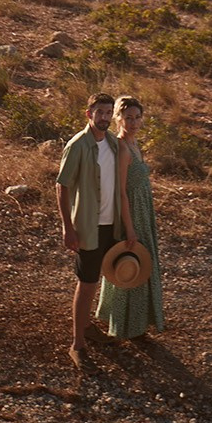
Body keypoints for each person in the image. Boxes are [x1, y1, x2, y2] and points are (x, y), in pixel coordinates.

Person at [56, 91, 122, 367]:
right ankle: (77, 345)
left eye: (108, 112)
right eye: (100, 112)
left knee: (103, 278)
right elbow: (62, 185)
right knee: (86, 284)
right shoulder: (78, 145)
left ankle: (87, 327)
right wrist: (67, 228)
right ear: (89, 114)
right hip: (88, 226)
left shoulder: (113, 144)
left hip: (112, 223)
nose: (104, 117)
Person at [95, 95, 164, 343]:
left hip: (144, 210)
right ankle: (123, 324)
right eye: (128, 118)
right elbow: (121, 191)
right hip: (131, 212)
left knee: (141, 265)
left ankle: (136, 324)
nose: (133, 122)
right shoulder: (122, 148)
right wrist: (129, 227)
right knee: (129, 264)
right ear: (118, 119)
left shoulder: (135, 144)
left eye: (137, 118)